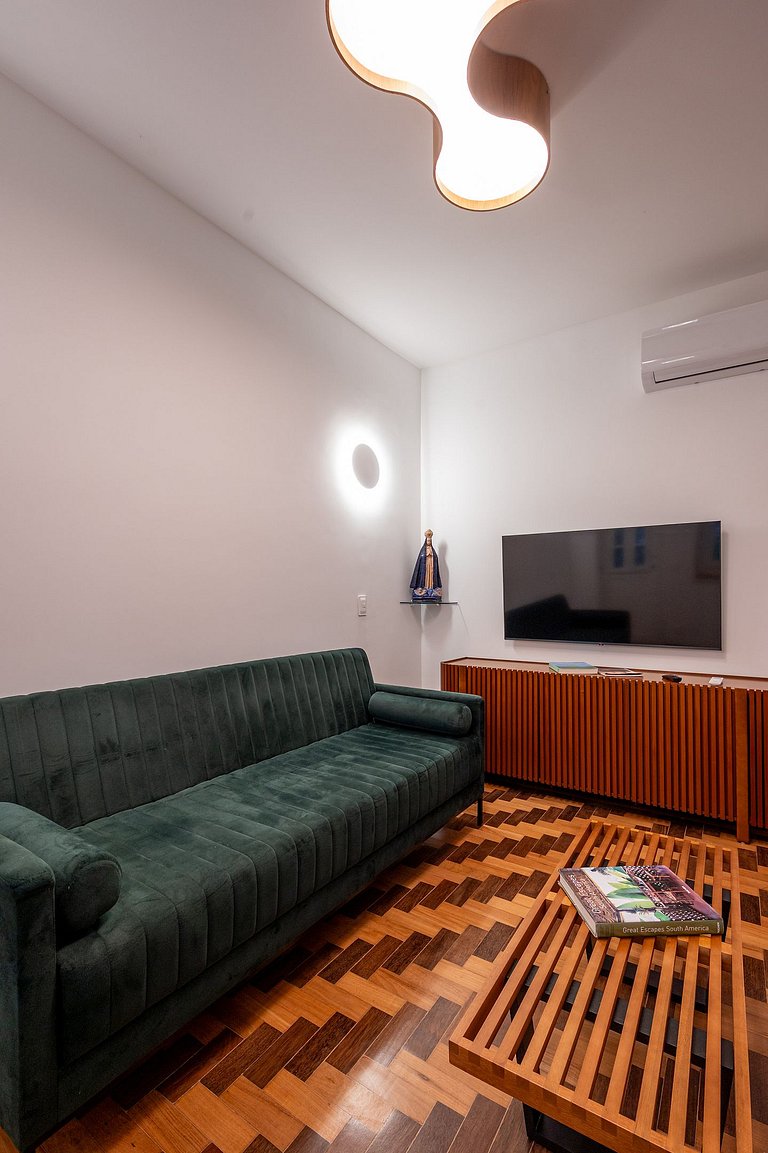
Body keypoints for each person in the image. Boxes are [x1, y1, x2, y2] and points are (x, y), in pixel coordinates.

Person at [410, 529, 442, 602]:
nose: (429, 542)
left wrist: (433, 558)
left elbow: (435, 558)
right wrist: (425, 557)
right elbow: (421, 558)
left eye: (430, 541)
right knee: (425, 577)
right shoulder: (423, 550)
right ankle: (423, 588)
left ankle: (431, 588)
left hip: (431, 567)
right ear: (426, 541)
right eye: (428, 541)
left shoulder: (432, 550)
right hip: (425, 567)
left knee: (431, 577)